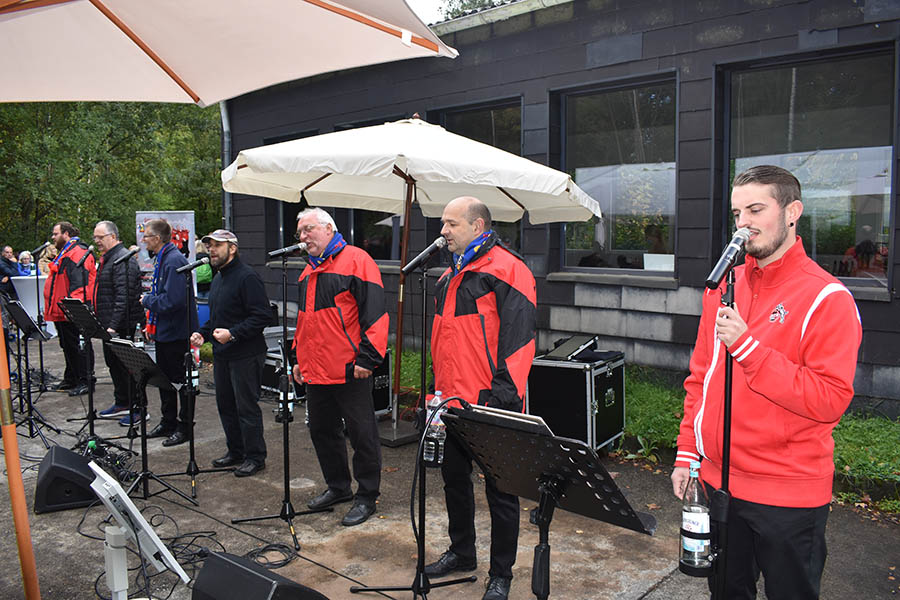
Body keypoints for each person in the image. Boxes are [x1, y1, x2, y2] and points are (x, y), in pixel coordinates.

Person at [670, 165, 862, 600]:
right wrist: (688, 452)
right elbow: (702, 376)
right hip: (720, 485)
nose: (744, 224)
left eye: (756, 209)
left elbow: (830, 399)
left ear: (792, 211)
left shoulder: (827, 297)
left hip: (788, 496)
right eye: (737, 213)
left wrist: (750, 349)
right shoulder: (723, 286)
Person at [425, 196, 537, 600]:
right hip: (451, 402)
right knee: (454, 480)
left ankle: (501, 573)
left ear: (478, 225)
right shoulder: (446, 276)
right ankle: (462, 552)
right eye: (443, 223)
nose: (443, 231)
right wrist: (436, 394)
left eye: (451, 224)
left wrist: (503, 399)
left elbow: (520, 340)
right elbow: (445, 341)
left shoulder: (509, 270)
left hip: (491, 403)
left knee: (501, 491)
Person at [291, 207, 388, 527]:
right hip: (317, 370)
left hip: (350, 368)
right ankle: (338, 487)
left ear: (329, 229)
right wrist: (297, 360)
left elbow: (375, 313)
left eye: (309, 230)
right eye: (300, 232)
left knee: (362, 435)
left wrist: (368, 359)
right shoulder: (307, 272)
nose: (303, 237)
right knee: (321, 431)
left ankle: (367, 495)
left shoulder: (357, 260)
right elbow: (305, 323)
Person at [190, 229, 271, 476]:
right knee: (225, 405)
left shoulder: (247, 277)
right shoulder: (218, 278)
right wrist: (202, 333)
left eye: (216, 245)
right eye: (209, 246)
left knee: (246, 407)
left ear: (232, 248)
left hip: (246, 353)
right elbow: (217, 317)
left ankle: (255, 457)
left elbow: (262, 316)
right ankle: (235, 451)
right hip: (223, 353)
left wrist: (233, 333)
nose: (211, 250)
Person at [139, 219, 198, 439]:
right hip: (165, 330)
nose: (143, 240)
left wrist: (147, 301)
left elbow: (173, 301)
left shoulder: (173, 261)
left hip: (176, 332)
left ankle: (184, 426)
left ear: (157, 238)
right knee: (165, 380)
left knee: (179, 381)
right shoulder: (163, 259)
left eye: (146, 236)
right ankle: (168, 421)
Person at [92, 221, 143, 421]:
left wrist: (113, 325)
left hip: (122, 325)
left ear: (112, 236)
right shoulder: (109, 259)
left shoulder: (123, 259)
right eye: (95, 237)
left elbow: (124, 296)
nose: (96, 241)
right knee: (114, 365)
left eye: (100, 237)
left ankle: (138, 407)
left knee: (128, 367)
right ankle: (123, 402)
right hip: (108, 324)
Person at [43, 222, 96, 396]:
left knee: (78, 346)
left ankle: (85, 379)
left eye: (55, 233)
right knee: (67, 345)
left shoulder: (77, 253)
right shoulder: (66, 252)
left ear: (66, 234)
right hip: (62, 310)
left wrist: (74, 310)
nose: (53, 237)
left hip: (71, 311)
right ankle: (71, 377)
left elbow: (79, 285)